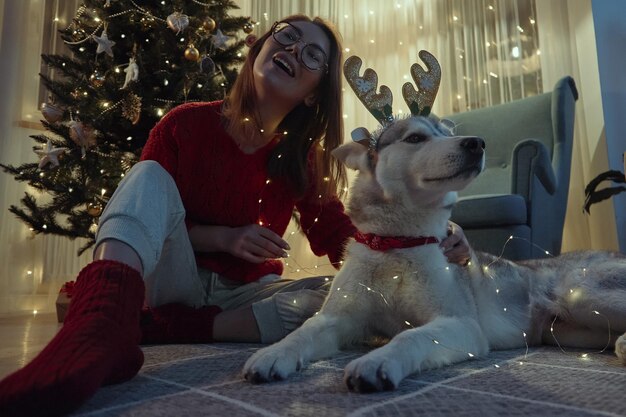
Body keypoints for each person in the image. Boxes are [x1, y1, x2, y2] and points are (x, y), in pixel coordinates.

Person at [0, 14, 471, 417]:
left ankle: (155, 327)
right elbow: (149, 208)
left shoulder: (301, 159)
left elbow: (344, 239)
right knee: (146, 176)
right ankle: (100, 327)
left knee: (332, 300)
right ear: (258, 49)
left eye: (312, 55)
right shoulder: (184, 124)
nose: (294, 50)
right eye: (286, 36)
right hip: (174, 275)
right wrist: (222, 239)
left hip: (245, 296)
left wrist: (427, 239)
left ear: (313, 92)